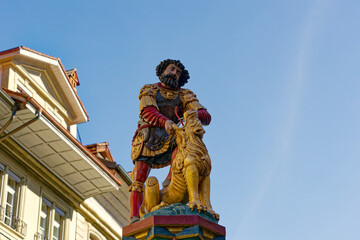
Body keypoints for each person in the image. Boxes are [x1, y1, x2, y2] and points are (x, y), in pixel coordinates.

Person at [129, 59, 211, 222]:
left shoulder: (184, 94)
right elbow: (147, 110)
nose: (174, 73)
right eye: (171, 69)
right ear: (163, 71)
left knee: (186, 144)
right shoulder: (150, 89)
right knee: (139, 177)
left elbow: (204, 114)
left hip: (173, 135)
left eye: (178, 72)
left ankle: (170, 180)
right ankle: (134, 216)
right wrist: (164, 121)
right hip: (149, 135)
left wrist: (198, 113)